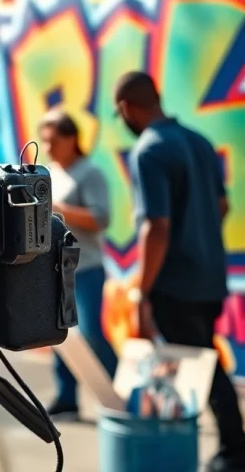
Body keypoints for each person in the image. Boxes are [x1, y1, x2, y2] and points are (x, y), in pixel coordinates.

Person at [115, 71, 245, 472]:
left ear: (126, 109)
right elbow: (222, 207)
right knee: (199, 360)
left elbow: (156, 227)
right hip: (208, 276)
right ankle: (203, 448)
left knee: (199, 364)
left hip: (175, 283)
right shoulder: (200, 142)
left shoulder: (149, 151)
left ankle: (233, 452)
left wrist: (142, 290)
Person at [37, 107, 119, 420]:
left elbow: (101, 219)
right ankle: (67, 397)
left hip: (85, 268)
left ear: (72, 139)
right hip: (55, 267)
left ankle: (117, 395)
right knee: (60, 333)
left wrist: (58, 208)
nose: (48, 147)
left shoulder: (89, 173)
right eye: (44, 140)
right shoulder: (49, 171)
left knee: (92, 334)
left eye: (54, 140)